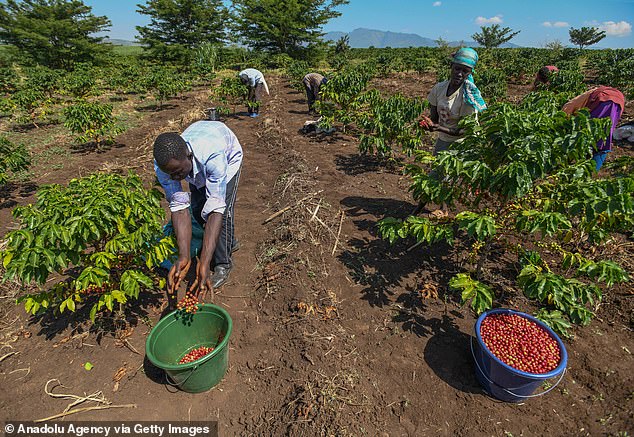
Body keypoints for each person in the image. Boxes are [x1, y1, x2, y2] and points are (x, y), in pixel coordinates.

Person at [153, 120, 243, 300]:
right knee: (199, 207)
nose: (175, 178)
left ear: (188, 155)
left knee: (222, 213)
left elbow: (216, 210)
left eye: (178, 172)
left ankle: (223, 263)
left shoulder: (212, 156)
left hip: (228, 156)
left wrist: (204, 262)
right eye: (171, 174)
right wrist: (184, 256)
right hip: (198, 158)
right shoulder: (164, 167)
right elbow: (179, 208)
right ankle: (228, 242)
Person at [419, 47, 487, 155]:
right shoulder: (439, 88)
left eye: (465, 71)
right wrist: (429, 124)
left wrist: (439, 128)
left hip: (464, 143)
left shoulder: (469, 97)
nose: (459, 74)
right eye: (457, 69)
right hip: (444, 140)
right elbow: (435, 118)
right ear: (451, 67)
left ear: (470, 73)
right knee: (436, 170)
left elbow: (467, 130)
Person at [562, 86, 625, 171]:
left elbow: (566, 111)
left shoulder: (569, 105)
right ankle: (593, 169)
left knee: (586, 135)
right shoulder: (590, 94)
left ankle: (586, 169)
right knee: (604, 138)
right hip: (619, 102)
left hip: (603, 100)